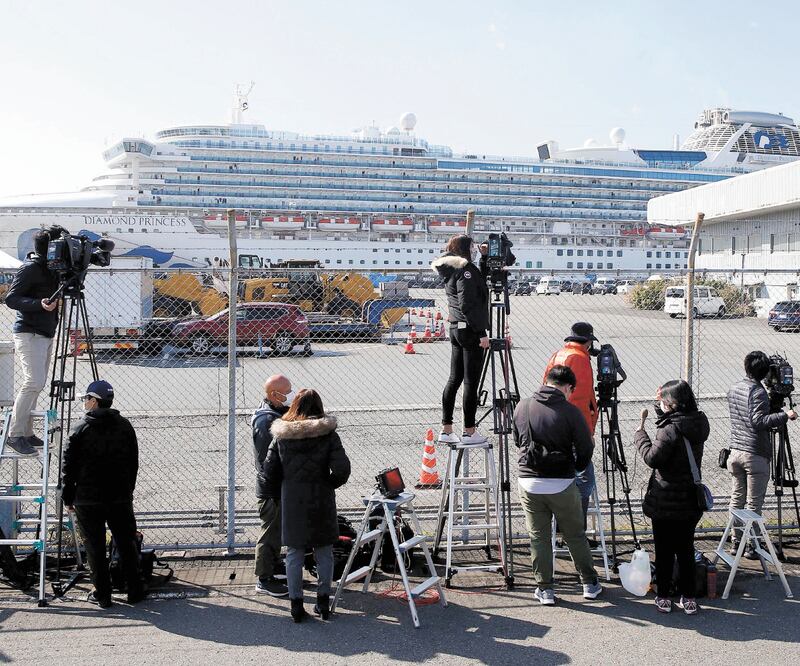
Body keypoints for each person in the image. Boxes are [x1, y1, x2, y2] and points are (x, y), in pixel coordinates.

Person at [515, 365, 603, 606]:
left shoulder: (523, 406)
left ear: (546, 381)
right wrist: (576, 468)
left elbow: (517, 440)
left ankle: (545, 589)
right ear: (567, 387)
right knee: (574, 534)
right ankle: (589, 583)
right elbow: (586, 448)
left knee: (539, 537)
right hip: (561, 482)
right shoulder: (571, 411)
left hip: (529, 480)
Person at [264, 389, 351, 623]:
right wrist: (329, 484)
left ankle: (296, 605)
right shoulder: (328, 434)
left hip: (292, 499)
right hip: (321, 497)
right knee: (324, 551)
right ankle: (323, 602)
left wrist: (278, 495)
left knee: (294, 553)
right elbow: (342, 469)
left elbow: (268, 471)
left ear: (295, 407)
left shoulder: (282, 435)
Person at [61, 380, 144, 608]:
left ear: (94, 401)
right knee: (126, 542)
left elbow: (68, 468)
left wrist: (68, 497)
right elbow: (133, 463)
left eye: (86, 398)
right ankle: (135, 590)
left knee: (94, 547)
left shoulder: (80, 429)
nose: (85, 403)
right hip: (119, 497)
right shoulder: (125, 426)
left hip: (88, 500)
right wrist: (128, 490)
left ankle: (103, 594)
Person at [635, 380, 709, 615]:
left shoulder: (668, 429)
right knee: (686, 549)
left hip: (666, 500)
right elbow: (676, 427)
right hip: (689, 500)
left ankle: (664, 596)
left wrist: (640, 436)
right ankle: (688, 597)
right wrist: (662, 408)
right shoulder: (698, 422)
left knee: (664, 550)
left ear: (672, 404)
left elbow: (652, 458)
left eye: (663, 402)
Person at [726, 351, 797, 556]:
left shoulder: (734, 388)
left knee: (736, 499)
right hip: (754, 454)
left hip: (736, 452)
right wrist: (784, 415)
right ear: (765, 372)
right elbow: (758, 422)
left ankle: (735, 543)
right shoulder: (758, 392)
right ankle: (752, 546)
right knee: (752, 504)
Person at [4, 229, 60, 456]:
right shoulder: (31, 268)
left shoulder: (53, 269)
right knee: (33, 382)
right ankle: (14, 435)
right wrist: (40, 304)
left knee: (38, 384)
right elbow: (11, 298)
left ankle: (27, 433)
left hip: (45, 332)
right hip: (29, 333)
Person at [432, 234, 490, 446]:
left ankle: (447, 429)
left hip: (456, 328)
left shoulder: (452, 269)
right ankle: (469, 431)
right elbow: (468, 304)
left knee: (454, 379)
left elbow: (477, 283)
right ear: (465, 249)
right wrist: (482, 332)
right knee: (470, 383)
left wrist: (483, 260)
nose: (475, 250)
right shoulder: (465, 270)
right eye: (473, 248)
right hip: (469, 331)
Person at [543, 322, 599, 525]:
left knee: (561, 479)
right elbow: (582, 401)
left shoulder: (558, 355)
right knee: (584, 481)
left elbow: (545, 388)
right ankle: (575, 529)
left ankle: (560, 528)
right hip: (573, 430)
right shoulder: (581, 358)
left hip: (553, 427)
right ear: (588, 342)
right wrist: (588, 432)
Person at [251, 374, 294, 597]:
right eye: (286, 392)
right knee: (269, 533)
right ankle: (264, 578)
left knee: (275, 531)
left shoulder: (271, 413)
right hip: (271, 488)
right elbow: (270, 462)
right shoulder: (266, 421)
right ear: (273, 394)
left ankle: (274, 566)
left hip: (275, 487)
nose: (290, 396)